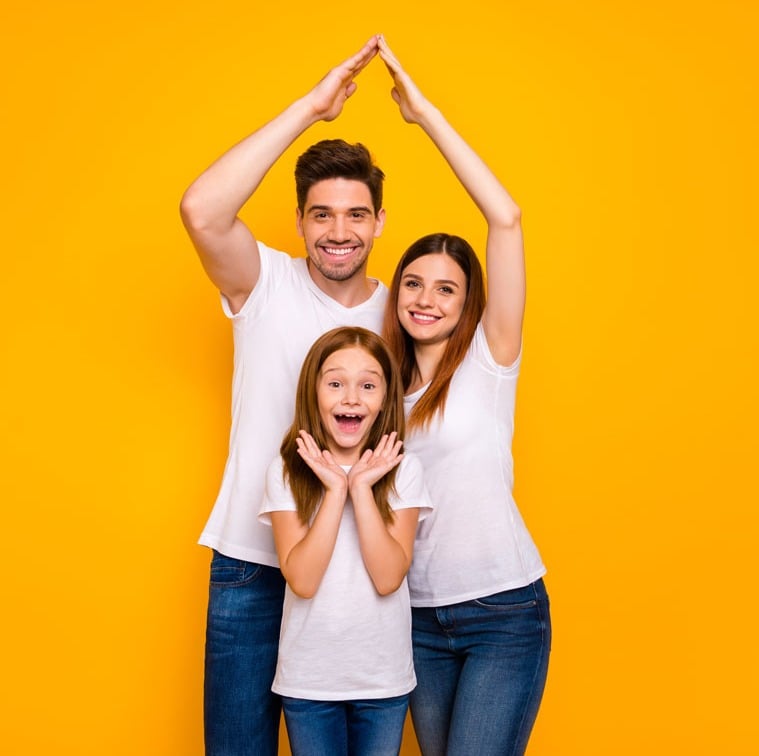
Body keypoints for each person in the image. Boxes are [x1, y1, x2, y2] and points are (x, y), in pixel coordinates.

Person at [179, 36, 390, 756]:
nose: (338, 231)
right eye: (321, 214)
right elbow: (201, 209)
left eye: (355, 214)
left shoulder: (402, 313)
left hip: (354, 571)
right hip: (251, 563)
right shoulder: (263, 282)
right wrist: (310, 108)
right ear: (299, 222)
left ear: (378, 223)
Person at [378, 37, 551, 755]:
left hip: (500, 612)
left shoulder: (489, 359)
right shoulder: (379, 385)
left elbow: (504, 218)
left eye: (446, 287)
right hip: (414, 619)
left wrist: (424, 117)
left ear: (468, 302)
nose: (426, 298)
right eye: (413, 282)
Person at [259, 326, 431, 756]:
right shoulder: (286, 472)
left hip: (382, 679)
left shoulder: (405, 471)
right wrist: (336, 491)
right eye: (335, 383)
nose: (351, 398)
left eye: (368, 385)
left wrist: (360, 489)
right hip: (308, 680)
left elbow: (389, 576)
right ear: (313, 394)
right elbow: (302, 579)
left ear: (385, 399)